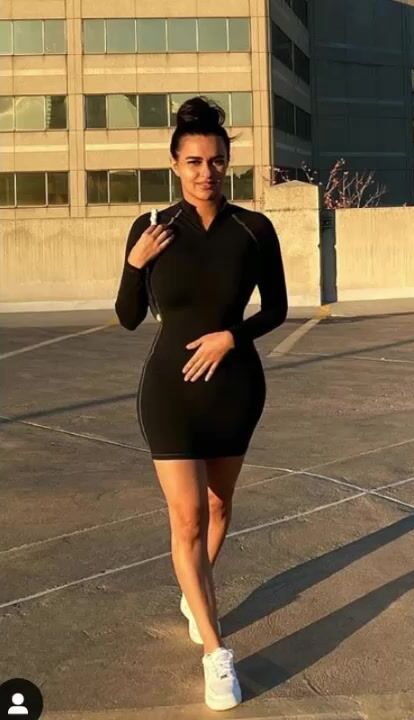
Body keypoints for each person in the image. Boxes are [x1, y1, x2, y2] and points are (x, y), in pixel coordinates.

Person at [114, 96, 288, 711]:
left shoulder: (253, 229)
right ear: (175, 164)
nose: (205, 172)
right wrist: (134, 264)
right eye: (193, 161)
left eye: (215, 161)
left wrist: (229, 336)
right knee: (186, 518)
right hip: (170, 393)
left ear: (227, 162)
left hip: (235, 389)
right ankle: (216, 653)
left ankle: (195, 595)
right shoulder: (153, 227)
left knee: (217, 506)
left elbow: (277, 309)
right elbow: (128, 316)